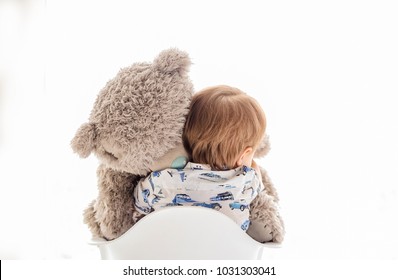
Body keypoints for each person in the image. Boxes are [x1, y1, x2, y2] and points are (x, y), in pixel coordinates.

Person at [133, 85, 267, 231]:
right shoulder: (246, 182)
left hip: (167, 250)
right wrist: (253, 164)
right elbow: (258, 181)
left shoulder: (161, 180)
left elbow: (139, 204)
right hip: (227, 252)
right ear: (244, 155)